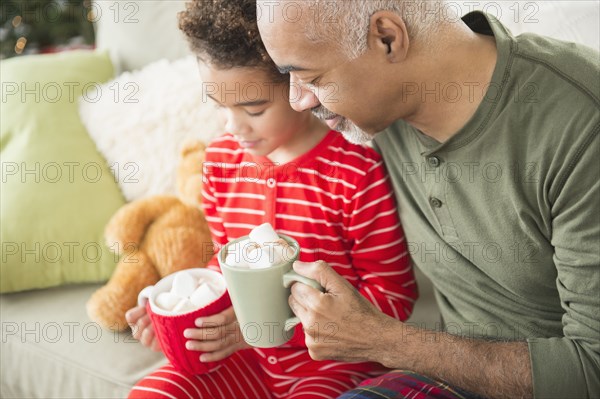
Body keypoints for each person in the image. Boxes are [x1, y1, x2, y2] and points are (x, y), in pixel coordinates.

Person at [256, 1, 600, 398]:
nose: (298, 100)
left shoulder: (580, 128)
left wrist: (382, 340)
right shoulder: (378, 112)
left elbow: (591, 371)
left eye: (311, 78)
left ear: (387, 38)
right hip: (445, 379)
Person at [126, 1, 418, 398]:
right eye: (219, 107)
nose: (233, 127)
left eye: (254, 108)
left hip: (336, 365)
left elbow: (394, 297)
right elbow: (223, 264)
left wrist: (274, 323)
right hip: (247, 361)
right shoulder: (221, 161)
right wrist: (187, 312)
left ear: (299, 88)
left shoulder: (354, 168)